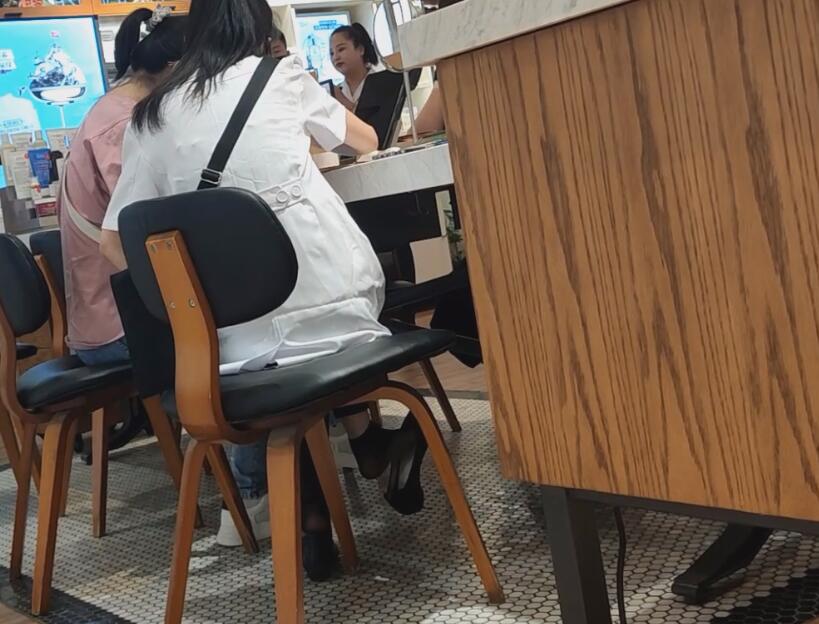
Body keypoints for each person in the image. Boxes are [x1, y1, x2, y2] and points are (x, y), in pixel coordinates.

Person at [99, 0, 427, 579]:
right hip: (334, 310)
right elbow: (367, 141)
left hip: (224, 352)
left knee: (278, 377)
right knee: (314, 336)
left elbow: (114, 245)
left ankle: (313, 522)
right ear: (259, 26)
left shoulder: (150, 117)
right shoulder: (280, 76)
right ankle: (373, 445)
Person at [59, 6, 186, 367]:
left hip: (102, 320)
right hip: (121, 327)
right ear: (175, 67)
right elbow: (145, 222)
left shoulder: (113, 110)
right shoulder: (123, 122)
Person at [330, 23, 378, 111]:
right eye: (332, 53)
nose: (335, 57)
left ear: (360, 49)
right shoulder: (337, 91)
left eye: (341, 49)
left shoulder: (382, 84)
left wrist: (343, 100)